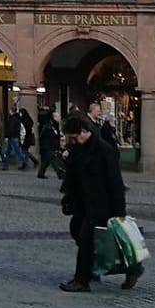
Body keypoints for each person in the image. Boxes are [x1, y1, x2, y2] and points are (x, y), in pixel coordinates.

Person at [59, 115, 138, 292]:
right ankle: (107, 268)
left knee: (88, 238)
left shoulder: (104, 150)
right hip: (83, 203)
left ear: (83, 132)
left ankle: (82, 279)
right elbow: (73, 177)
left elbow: (115, 182)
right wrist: (68, 198)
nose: (72, 141)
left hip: (102, 204)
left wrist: (119, 211)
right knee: (77, 231)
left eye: (74, 137)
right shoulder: (77, 150)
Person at [36, 108, 65, 180]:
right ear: (54, 117)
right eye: (58, 117)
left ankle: (41, 173)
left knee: (46, 161)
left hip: (50, 146)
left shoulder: (54, 125)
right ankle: (60, 174)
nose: (59, 118)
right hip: (49, 146)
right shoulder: (49, 126)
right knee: (54, 160)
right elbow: (46, 136)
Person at [1, 107, 31, 171]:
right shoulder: (17, 119)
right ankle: (5, 166)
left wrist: (7, 136)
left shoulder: (12, 119)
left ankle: (26, 164)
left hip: (12, 138)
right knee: (7, 152)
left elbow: (10, 129)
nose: (9, 111)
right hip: (14, 137)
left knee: (18, 153)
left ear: (11, 111)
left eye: (10, 110)